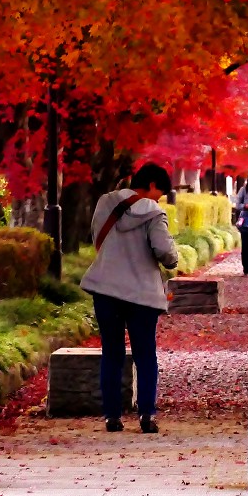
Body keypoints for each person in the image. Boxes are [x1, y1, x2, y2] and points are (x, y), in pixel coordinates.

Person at [80, 163, 179, 433]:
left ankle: (112, 416)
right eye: (160, 192)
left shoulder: (106, 203)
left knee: (111, 353)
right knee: (145, 354)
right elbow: (165, 253)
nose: (158, 198)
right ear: (151, 185)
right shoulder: (154, 212)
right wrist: (174, 256)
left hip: (106, 289)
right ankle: (146, 415)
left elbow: (95, 237)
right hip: (141, 294)